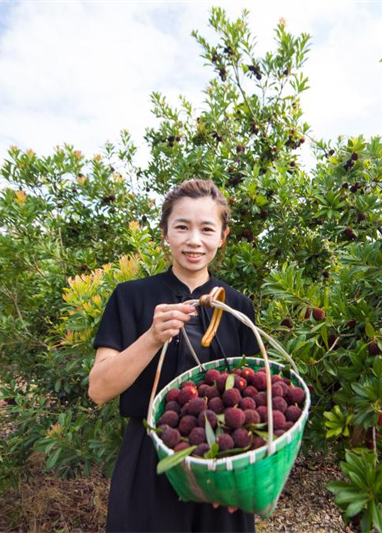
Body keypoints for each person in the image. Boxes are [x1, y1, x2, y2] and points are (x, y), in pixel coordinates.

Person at [89, 178, 261, 532]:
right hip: (149, 463)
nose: (194, 240)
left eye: (207, 229)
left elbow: (254, 400)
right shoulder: (130, 298)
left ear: (222, 237)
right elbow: (99, 390)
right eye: (182, 227)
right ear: (166, 232)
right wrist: (151, 337)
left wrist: (240, 469)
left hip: (221, 460)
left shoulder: (239, 307)